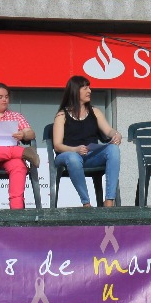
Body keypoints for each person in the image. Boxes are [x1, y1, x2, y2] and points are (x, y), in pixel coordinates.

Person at [51, 75, 121, 207]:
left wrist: (116, 135)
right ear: (75, 91)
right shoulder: (62, 115)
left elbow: (108, 131)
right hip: (68, 154)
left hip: (90, 155)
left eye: (89, 87)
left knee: (113, 149)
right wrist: (75, 149)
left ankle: (109, 201)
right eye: (85, 88)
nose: (89, 91)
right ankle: (86, 203)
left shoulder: (95, 111)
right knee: (73, 158)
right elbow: (57, 145)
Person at [0, 83, 40, 210]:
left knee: (18, 166)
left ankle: (16, 210)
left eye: (6, 97)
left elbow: (31, 133)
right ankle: (21, 152)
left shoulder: (16, 116)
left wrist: (23, 134)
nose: (4, 100)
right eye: (0, 97)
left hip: (9, 159)